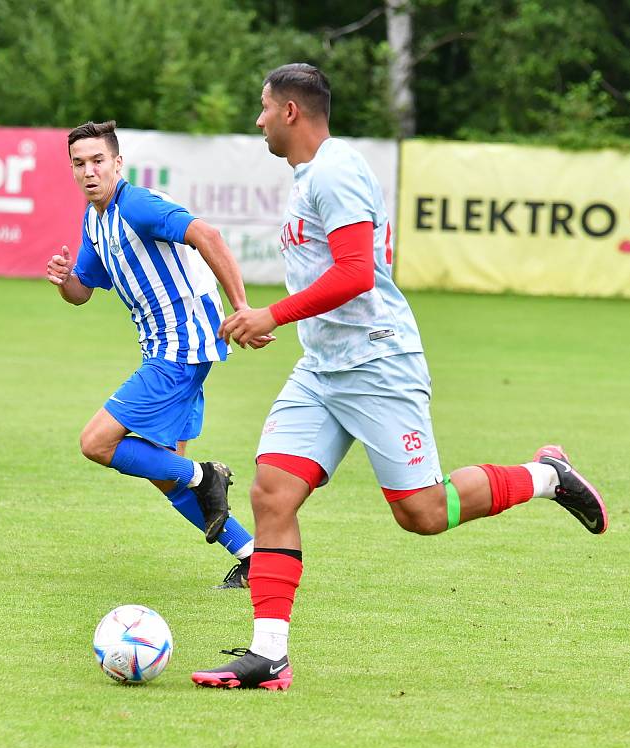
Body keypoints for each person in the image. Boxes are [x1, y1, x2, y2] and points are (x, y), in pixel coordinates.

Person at [190, 64, 608, 688]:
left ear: (291, 113)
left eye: (264, 108)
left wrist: (270, 313)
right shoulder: (311, 178)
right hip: (323, 370)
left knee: (423, 512)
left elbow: (357, 273)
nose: (258, 121)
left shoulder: (336, 169)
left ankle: (546, 476)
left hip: (378, 364)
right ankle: (268, 654)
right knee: (271, 492)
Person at [47, 120, 269, 589]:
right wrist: (66, 278)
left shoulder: (139, 205)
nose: (89, 171)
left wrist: (243, 308)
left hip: (180, 345)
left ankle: (205, 474)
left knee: (97, 443)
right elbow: (83, 292)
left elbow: (208, 236)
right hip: (170, 347)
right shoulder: (95, 219)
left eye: (98, 161)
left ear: (117, 163)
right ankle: (252, 556)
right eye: (79, 164)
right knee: (162, 470)